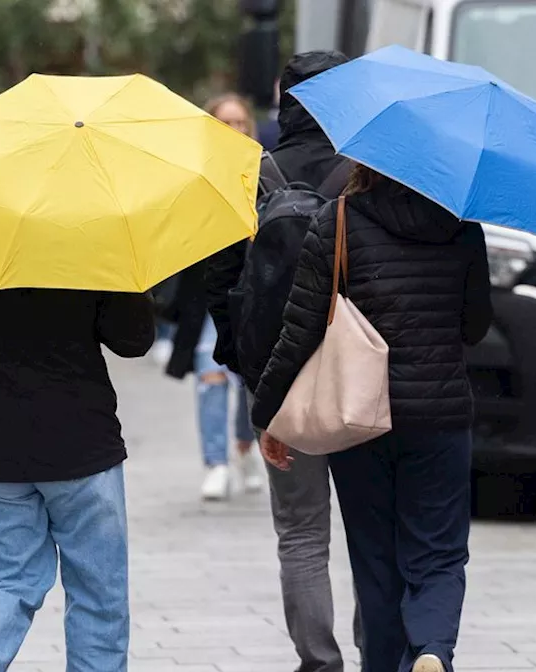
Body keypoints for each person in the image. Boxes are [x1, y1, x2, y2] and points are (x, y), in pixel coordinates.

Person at [250, 164, 492, 672]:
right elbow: (475, 326)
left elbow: (301, 330)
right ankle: (431, 650)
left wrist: (269, 412)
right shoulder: (464, 229)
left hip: (360, 418)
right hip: (440, 415)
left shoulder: (336, 221)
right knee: (440, 552)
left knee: (375, 561)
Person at [205, 51, 359, 672]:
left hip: (280, 381)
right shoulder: (368, 173)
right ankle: (379, 650)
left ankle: (319, 661)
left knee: (301, 533)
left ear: (282, 103)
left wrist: (247, 370)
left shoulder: (251, 174)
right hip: (360, 378)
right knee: (374, 533)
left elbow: (220, 283)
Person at [0, 258, 155, 672]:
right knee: (97, 588)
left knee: (4, 579)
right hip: (81, 441)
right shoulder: (96, 239)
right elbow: (133, 339)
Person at [166, 93, 260, 501]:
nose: (235, 130)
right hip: (207, 295)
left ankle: (245, 445)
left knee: (251, 381)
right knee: (211, 372)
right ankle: (216, 463)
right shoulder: (194, 177)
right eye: (226, 123)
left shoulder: (263, 170)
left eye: (241, 122)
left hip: (255, 293)